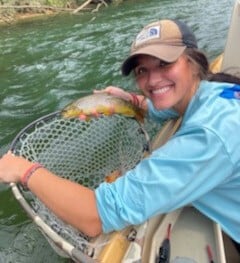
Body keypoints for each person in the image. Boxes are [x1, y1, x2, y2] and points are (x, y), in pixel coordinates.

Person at [0, 19, 240, 250]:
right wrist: (130, 101)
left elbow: (96, 216)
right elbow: (164, 108)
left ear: (193, 62)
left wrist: (24, 170)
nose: (152, 79)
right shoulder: (216, 94)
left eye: (165, 64)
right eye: (142, 70)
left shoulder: (209, 136)